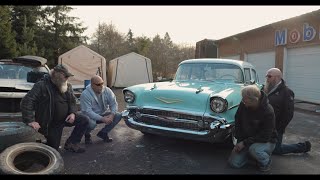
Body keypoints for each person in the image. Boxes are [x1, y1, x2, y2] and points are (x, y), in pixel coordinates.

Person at [21, 64, 89, 153]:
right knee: (53, 150)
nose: (67, 78)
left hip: (66, 118)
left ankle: (72, 143)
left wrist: (72, 113)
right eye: (66, 76)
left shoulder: (67, 86)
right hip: (51, 123)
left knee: (84, 120)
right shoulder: (41, 85)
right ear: (56, 75)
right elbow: (27, 101)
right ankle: (38, 145)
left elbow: (72, 101)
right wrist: (30, 120)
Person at [228, 85, 277, 172]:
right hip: (247, 139)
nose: (242, 101)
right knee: (234, 163)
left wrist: (244, 143)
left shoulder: (268, 111)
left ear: (254, 100)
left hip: (266, 141)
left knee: (255, 150)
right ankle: (250, 156)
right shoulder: (244, 104)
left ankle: (266, 161)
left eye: (245, 99)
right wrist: (239, 140)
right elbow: (237, 120)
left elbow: (265, 136)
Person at [264, 68, 311, 155]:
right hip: (264, 126)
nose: (267, 78)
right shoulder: (266, 89)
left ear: (277, 77)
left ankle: (303, 146)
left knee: (276, 150)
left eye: (269, 76)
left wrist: (279, 128)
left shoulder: (287, 92)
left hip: (276, 127)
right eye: (266, 76)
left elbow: (288, 114)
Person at [80, 75, 122, 144]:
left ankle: (103, 133)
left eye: (102, 83)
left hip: (103, 113)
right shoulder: (85, 94)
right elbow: (88, 111)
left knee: (118, 115)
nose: (101, 86)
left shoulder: (107, 90)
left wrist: (112, 114)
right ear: (92, 85)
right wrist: (102, 119)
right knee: (92, 124)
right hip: (90, 116)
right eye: (98, 84)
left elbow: (113, 103)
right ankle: (87, 134)